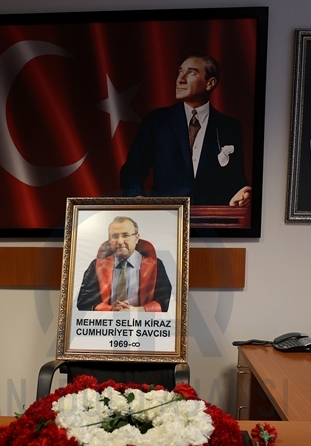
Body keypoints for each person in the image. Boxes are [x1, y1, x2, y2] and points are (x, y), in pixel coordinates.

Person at [120, 55, 251, 207]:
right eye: (180, 72)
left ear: (210, 83)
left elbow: (235, 178)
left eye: (191, 72)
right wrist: (137, 198)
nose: (180, 79)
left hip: (212, 218)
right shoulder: (156, 121)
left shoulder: (229, 127)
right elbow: (132, 170)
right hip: (167, 216)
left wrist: (242, 194)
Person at [76, 216, 172, 312]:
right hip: (107, 320)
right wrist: (112, 310)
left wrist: (138, 311)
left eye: (125, 235)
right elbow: (84, 302)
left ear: (137, 238)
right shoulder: (97, 266)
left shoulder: (155, 265)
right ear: (109, 240)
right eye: (115, 236)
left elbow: (163, 301)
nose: (120, 242)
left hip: (141, 320)